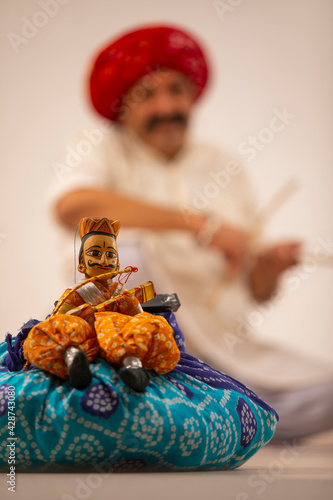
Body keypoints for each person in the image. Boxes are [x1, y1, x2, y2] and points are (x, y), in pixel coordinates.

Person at [50, 25, 333, 439]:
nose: (165, 106)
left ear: (193, 96)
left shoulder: (223, 164)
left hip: (227, 352)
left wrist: (269, 267)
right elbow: (72, 208)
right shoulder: (100, 147)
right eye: (146, 94)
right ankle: (170, 395)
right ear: (123, 105)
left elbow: (255, 289)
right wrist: (202, 225)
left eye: (176, 90)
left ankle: (210, 414)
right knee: (120, 241)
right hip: (132, 344)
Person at [23, 216, 180, 392]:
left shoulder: (123, 295)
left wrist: (133, 311)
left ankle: (133, 366)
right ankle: (74, 361)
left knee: (152, 324)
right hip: (85, 341)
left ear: (118, 263)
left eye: (110, 255)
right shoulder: (75, 294)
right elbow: (59, 320)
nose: (104, 261)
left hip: (120, 341)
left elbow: (139, 318)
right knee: (54, 329)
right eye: (96, 254)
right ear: (82, 265)